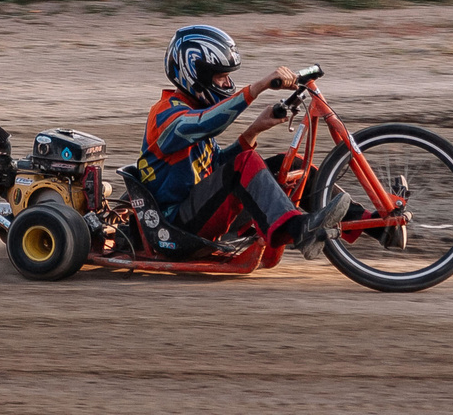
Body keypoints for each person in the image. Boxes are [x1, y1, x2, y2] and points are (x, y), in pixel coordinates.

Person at [135, 24, 342, 256]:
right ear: (194, 74)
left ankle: (375, 223)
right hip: (175, 228)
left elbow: (217, 167)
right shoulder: (164, 115)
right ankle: (296, 229)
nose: (226, 84)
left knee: (290, 165)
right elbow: (206, 123)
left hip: (201, 209)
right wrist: (258, 88)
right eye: (221, 77)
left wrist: (253, 131)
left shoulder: (195, 107)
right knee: (245, 162)